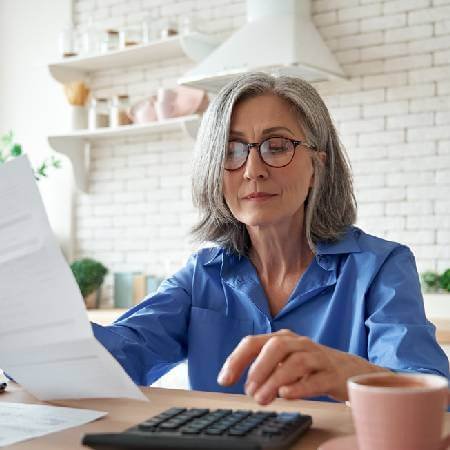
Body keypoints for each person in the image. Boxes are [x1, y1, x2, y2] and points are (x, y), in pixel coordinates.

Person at [92, 72, 449, 405]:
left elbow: (434, 397)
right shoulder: (201, 275)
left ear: (317, 167)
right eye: (232, 150)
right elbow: (117, 355)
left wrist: (349, 373)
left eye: (276, 146)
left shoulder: (380, 267)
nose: (253, 170)